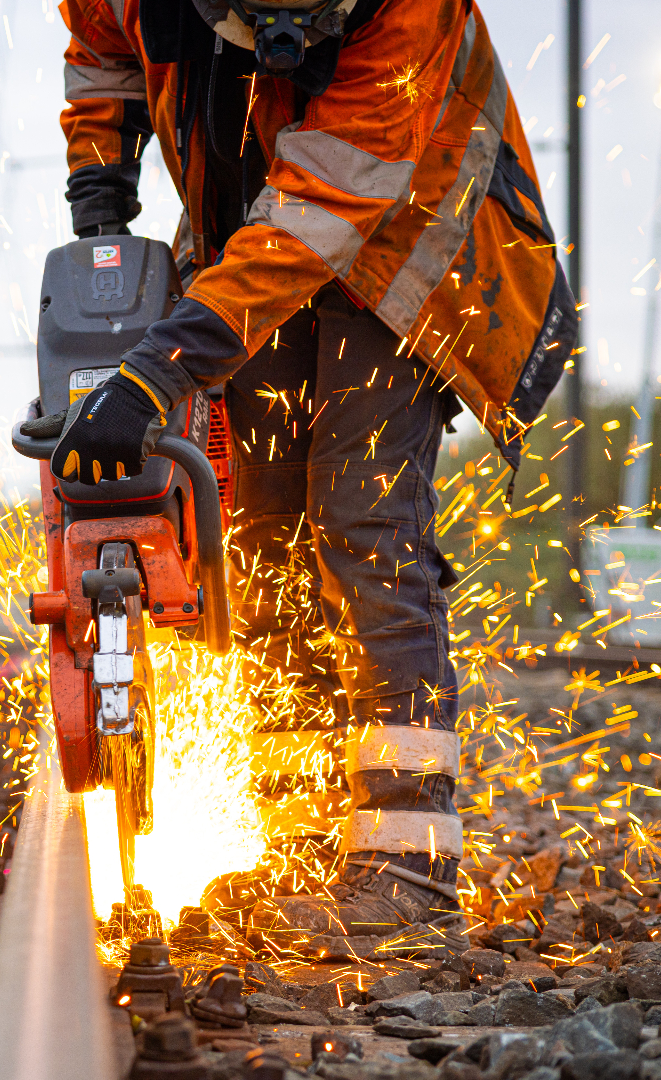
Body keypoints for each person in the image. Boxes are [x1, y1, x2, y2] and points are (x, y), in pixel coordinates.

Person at [43, 0, 576, 958]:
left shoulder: (412, 11)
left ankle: (405, 867)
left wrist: (164, 366)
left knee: (363, 529)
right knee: (266, 540)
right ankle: (296, 844)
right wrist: (100, 178)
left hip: (407, 238)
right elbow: (101, 48)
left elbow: (320, 213)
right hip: (248, 228)